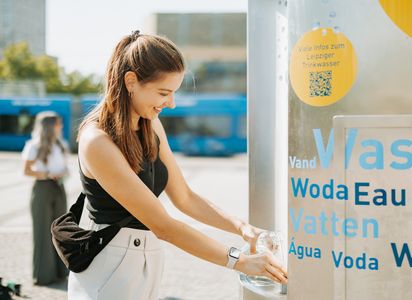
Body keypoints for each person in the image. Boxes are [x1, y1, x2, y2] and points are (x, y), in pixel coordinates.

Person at [68, 31, 288, 300]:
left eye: (174, 93)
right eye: (164, 92)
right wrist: (238, 260)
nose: (170, 103)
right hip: (108, 267)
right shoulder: (96, 141)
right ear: (131, 81)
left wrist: (242, 228)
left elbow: (184, 196)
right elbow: (164, 227)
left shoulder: (150, 125)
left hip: (143, 261)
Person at [21, 111, 70, 285]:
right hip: (42, 187)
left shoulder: (61, 144)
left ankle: (60, 271)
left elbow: (64, 167)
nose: (61, 127)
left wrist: (63, 173)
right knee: (43, 230)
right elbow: (26, 171)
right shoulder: (33, 145)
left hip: (59, 187)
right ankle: (43, 275)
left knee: (59, 229)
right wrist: (48, 173)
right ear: (50, 126)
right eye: (58, 124)